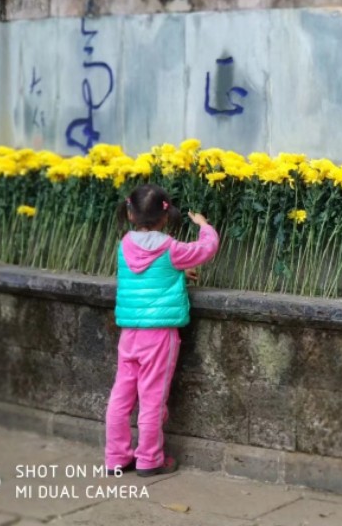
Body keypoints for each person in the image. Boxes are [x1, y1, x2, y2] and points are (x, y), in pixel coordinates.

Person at [104, 183, 219, 477]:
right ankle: (149, 459)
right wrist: (204, 226)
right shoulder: (171, 248)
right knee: (152, 397)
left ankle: (116, 457)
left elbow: (146, 273)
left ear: (131, 214)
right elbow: (207, 249)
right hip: (159, 336)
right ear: (166, 217)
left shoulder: (124, 245)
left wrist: (176, 271)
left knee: (121, 396)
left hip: (129, 333)